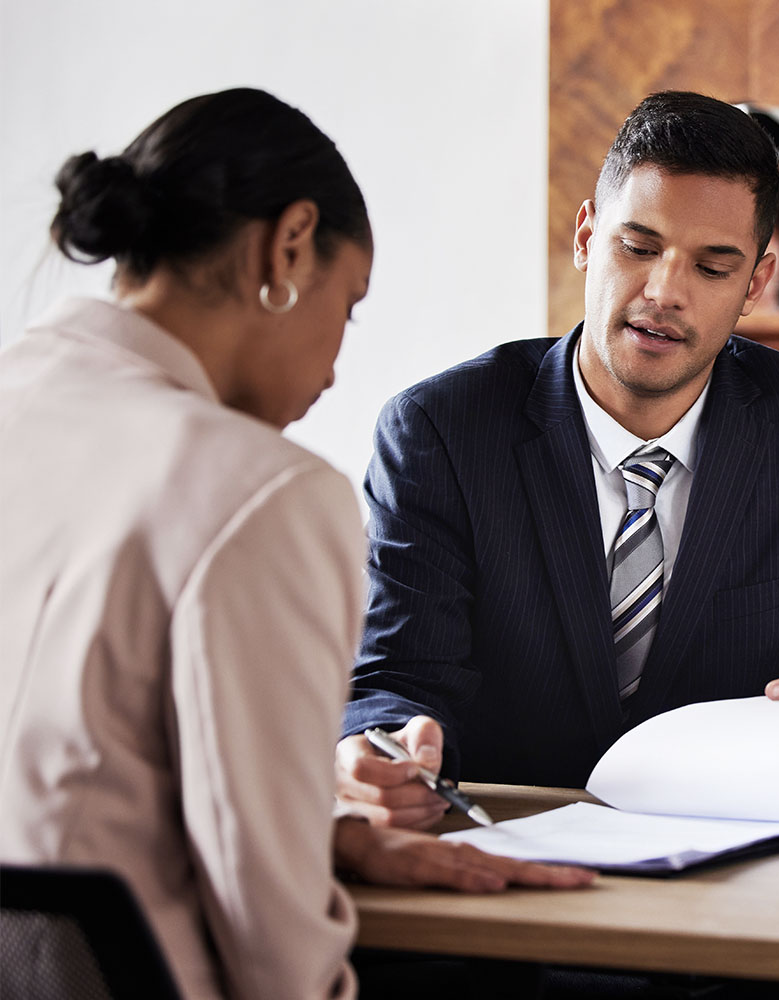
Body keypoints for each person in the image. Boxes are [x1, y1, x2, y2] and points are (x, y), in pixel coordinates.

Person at [0, 88, 592, 1000]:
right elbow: (272, 936)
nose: (333, 364)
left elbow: (63, 793)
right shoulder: (265, 493)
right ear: (287, 246)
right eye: (347, 306)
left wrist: (338, 838)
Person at [337, 90, 779, 829]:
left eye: (712, 270)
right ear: (587, 236)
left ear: (754, 284)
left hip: (748, 875)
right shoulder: (441, 430)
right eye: (638, 247)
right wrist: (387, 747)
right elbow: (395, 679)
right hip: (504, 849)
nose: (663, 294)